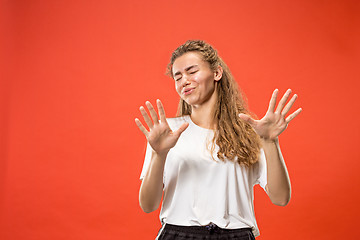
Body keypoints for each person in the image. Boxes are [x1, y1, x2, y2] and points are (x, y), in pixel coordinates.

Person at [135, 40, 302, 239]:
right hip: (178, 233)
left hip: (236, 234)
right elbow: (148, 205)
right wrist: (159, 155)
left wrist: (270, 142)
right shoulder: (167, 132)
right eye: (177, 77)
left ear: (216, 73)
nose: (184, 81)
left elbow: (281, 197)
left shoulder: (249, 131)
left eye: (192, 71)